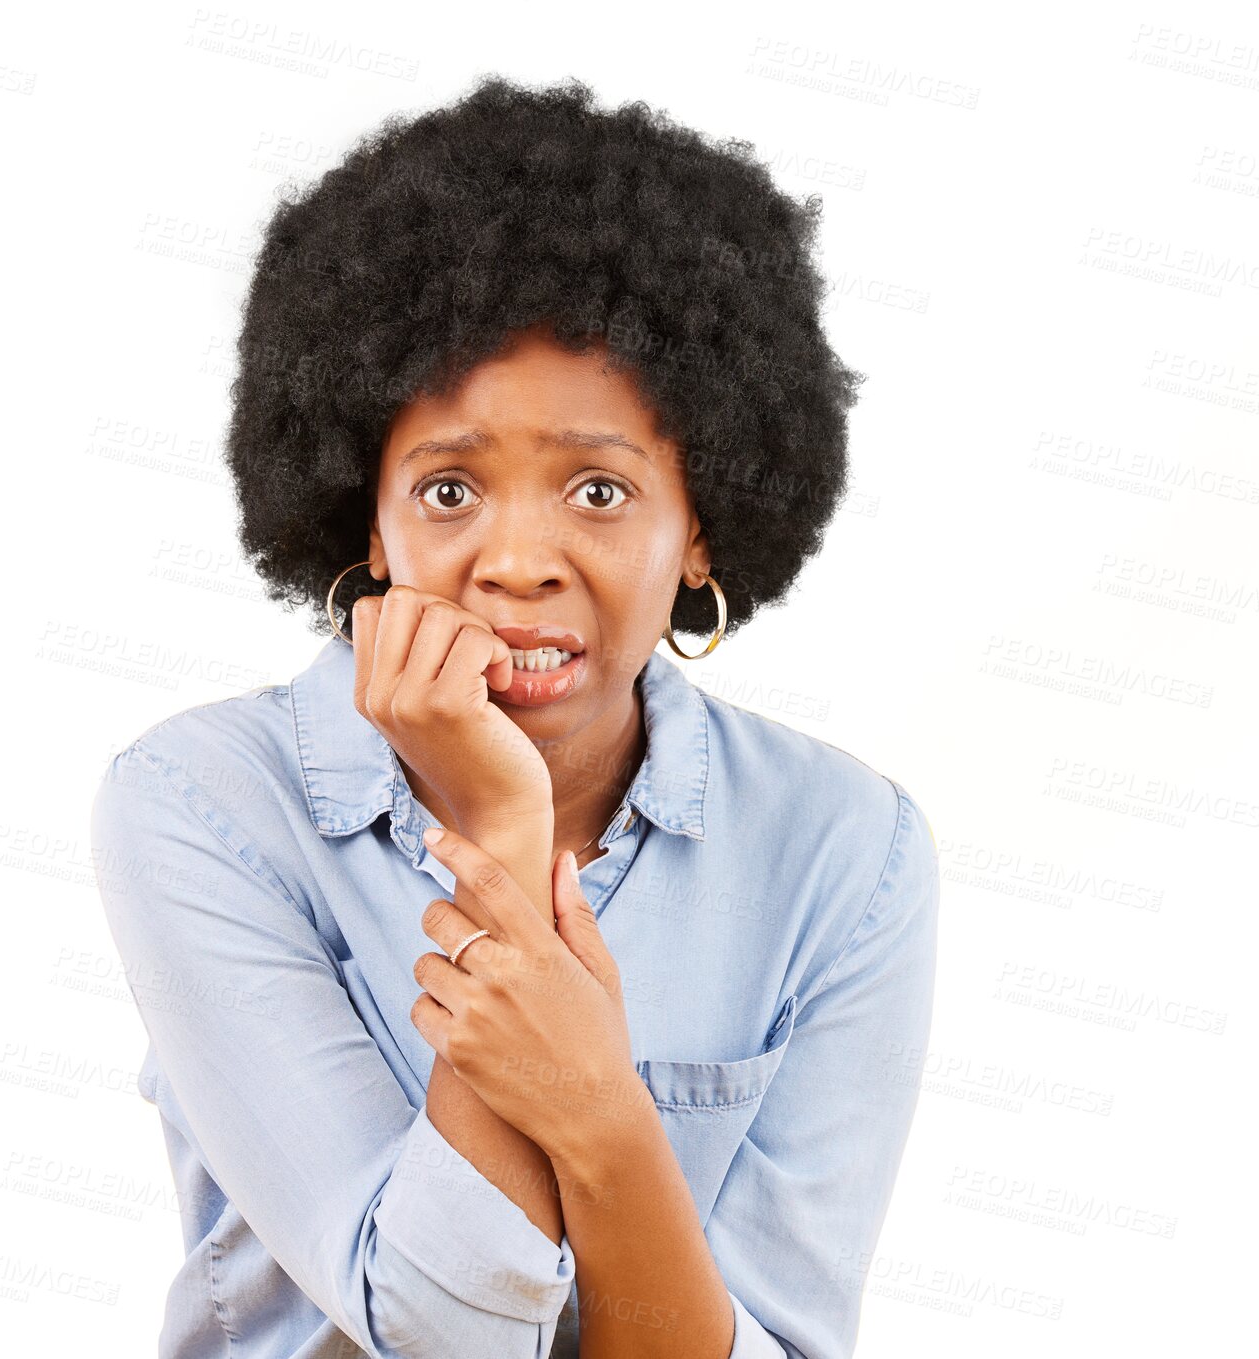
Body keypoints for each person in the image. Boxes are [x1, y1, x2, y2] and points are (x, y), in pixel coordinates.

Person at [90, 74, 939, 1359]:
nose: (518, 559)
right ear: (362, 521)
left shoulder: (842, 850)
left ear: (698, 527)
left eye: (598, 491)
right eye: (447, 491)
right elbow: (429, 1326)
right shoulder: (204, 804)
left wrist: (593, 1108)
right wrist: (502, 826)